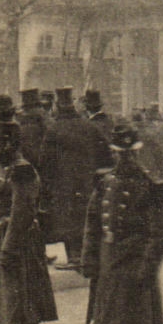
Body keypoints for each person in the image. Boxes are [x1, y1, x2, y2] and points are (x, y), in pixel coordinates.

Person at [81, 123, 163, 324]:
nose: (124, 159)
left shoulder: (151, 186)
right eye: (119, 153)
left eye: (129, 153)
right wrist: (89, 257)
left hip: (135, 259)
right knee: (105, 315)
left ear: (137, 153)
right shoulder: (105, 183)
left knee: (135, 320)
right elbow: (93, 222)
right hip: (108, 259)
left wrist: (148, 266)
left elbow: (161, 233)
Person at [0, 115, 58, 324]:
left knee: (23, 300)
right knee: (10, 299)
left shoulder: (22, 171)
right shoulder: (6, 169)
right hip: (6, 237)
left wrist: (9, 246)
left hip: (20, 241)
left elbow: (22, 213)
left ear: (8, 144)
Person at [40, 86, 111, 269]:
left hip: (63, 185)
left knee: (68, 219)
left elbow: (45, 162)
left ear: (57, 105)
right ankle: (86, 255)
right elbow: (106, 154)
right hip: (88, 182)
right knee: (86, 217)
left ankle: (73, 256)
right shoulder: (89, 126)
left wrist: (47, 186)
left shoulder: (54, 130)